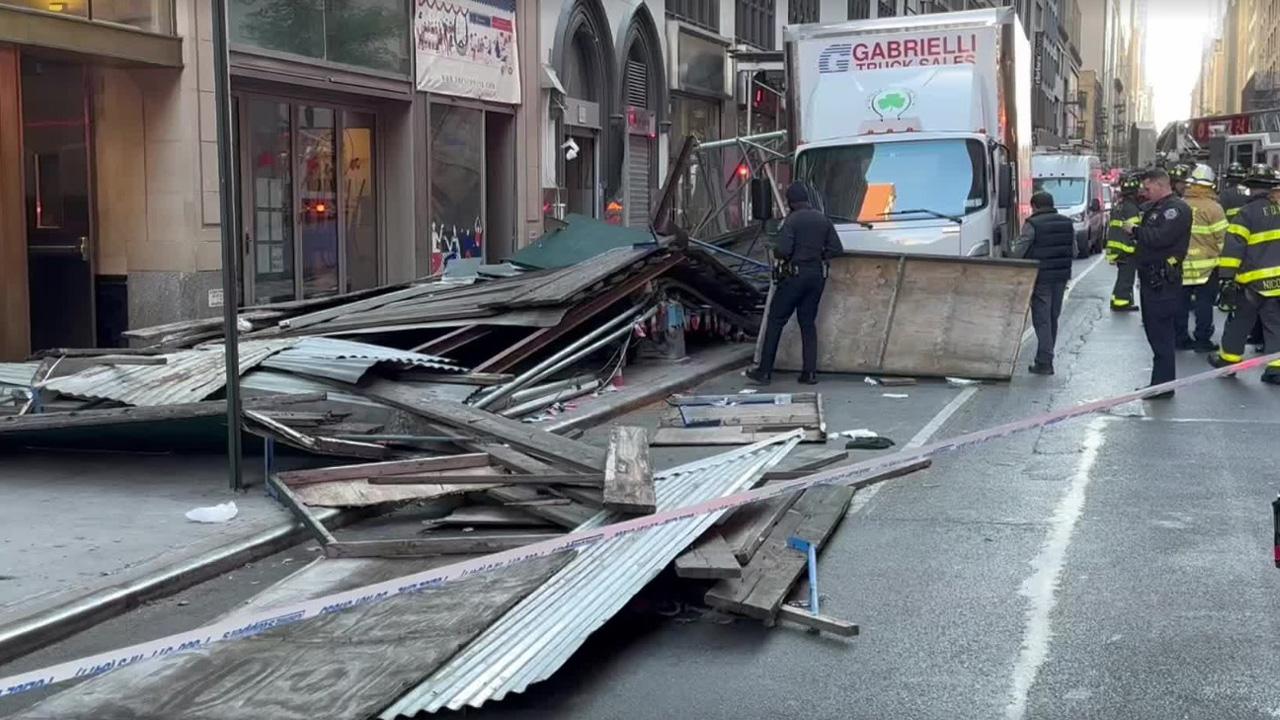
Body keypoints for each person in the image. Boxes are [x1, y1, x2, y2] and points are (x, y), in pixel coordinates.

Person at [746, 183, 843, 386]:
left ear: (790, 201)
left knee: (775, 320)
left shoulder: (790, 221)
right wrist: (818, 256)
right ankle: (809, 373)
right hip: (816, 276)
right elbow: (836, 248)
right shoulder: (822, 219)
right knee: (808, 324)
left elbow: (782, 251)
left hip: (794, 277)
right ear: (807, 199)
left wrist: (783, 252)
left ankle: (764, 372)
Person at [1123, 167, 1192, 398]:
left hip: (1162, 280)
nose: (1145, 191)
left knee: (1161, 334)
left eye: (1148, 187)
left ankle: (1162, 387)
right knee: (1155, 333)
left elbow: (1160, 238)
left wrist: (1135, 230)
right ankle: (1160, 384)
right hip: (1151, 278)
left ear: (1161, 185)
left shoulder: (1176, 210)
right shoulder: (1158, 207)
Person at [1210, 163, 1280, 384]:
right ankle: (1275, 368)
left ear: (1250, 188)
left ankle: (1228, 361)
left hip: (1251, 282)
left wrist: (1227, 278)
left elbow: (1234, 248)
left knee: (1240, 321)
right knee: (1275, 324)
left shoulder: (1245, 214)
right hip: (1277, 282)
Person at [1018, 191, 1075, 375]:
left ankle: (1045, 361)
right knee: (1052, 318)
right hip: (1061, 277)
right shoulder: (1067, 223)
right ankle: (1044, 357)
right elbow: (1074, 251)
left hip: (1040, 277)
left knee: (1042, 320)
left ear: (1034, 206)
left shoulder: (1032, 224)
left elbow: (1019, 250)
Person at [1175, 163, 1228, 352]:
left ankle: (1180, 338)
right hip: (1207, 268)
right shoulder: (1214, 208)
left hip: (1181, 265)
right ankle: (1202, 340)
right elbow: (1223, 240)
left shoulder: (1180, 204)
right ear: (1210, 186)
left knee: (1180, 302)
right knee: (1204, 304)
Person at [1106, 173, 1144, 312]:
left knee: (1122, 276)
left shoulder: (1119, 206)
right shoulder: (1131, 208)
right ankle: (1121, 303)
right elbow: (1134, 231)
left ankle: (1117, 299)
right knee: (1127, 278)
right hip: (1127, 249)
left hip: (1118, 248)